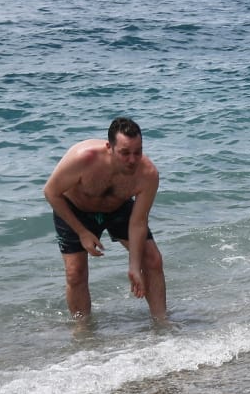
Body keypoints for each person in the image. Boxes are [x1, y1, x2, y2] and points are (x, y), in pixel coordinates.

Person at [43, 116, 167, 323]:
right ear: (109, 147)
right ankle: (83, 331)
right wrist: (82, 232)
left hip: (117, 208)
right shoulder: (84, 158)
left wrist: (134, 266)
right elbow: (51, 192)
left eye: (138, 152)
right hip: (75, 210)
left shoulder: (148, 174)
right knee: (75, 273)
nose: (132, 160)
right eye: (125, 153)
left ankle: (162, 323)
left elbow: (137, 223)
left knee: (153, 260)